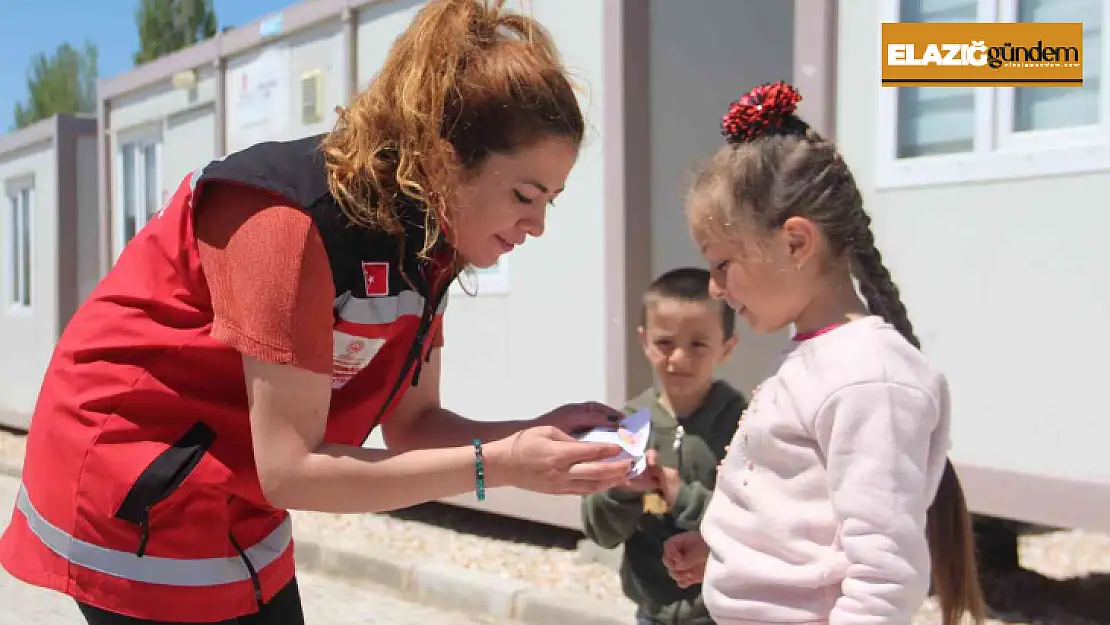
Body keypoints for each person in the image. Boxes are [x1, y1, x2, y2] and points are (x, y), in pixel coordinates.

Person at [0, 2, 634, 624]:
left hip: (235, 486)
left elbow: (414, 424)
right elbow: (292, 472)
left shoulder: (429, 240)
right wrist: (497, 465)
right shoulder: (286, 222)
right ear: (443, 162)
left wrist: (538, 437)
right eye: (525, 195)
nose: (539, 225)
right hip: (132, 483)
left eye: (551, 199)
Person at [660, 81, 986, 625]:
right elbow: (805, 517)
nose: (716, 288)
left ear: (794, 242)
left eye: (722, 264)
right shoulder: (822, 359)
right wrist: (726, 550)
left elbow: (882, 577)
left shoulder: (868, 379)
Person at [581, 267, 745, 625]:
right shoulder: (627, 425)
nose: (679, 359)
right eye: (665, 343)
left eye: (698, 345)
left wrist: (680, 495)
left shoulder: (744, 426)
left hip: (725, 611)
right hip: (651, 613)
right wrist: (622, 491)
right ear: (644, 341)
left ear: (727, 347)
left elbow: (755, 526)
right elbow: (600, 531)